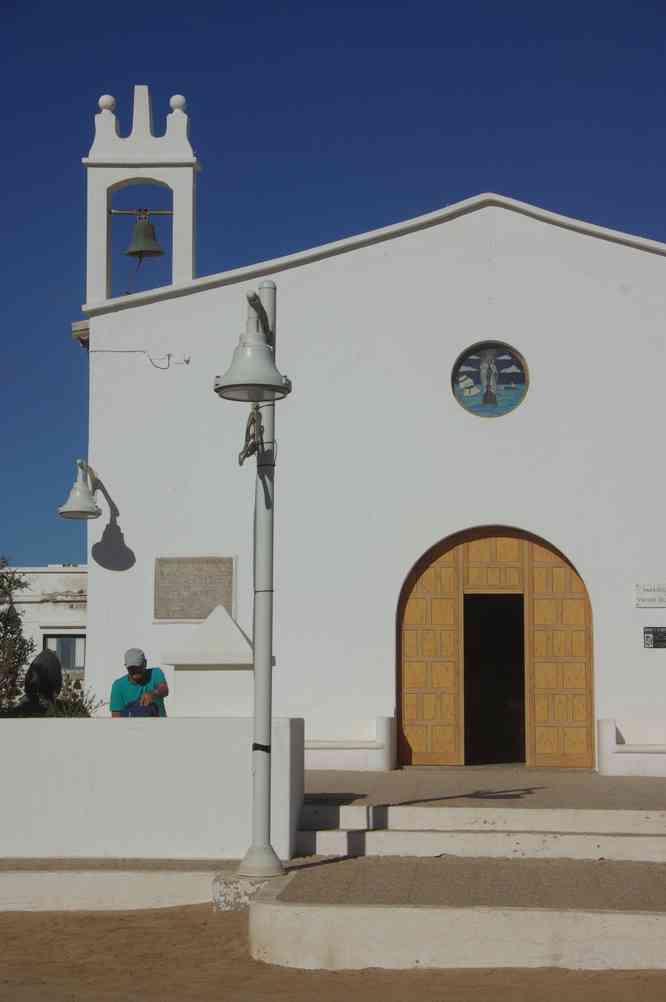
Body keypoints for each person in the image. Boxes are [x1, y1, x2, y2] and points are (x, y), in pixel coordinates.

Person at [110, 648, 169, 718]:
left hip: (159, 724)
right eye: (131, 668)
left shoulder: (155, 673)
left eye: (138, 667)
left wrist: (153, 694)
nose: (135, 670)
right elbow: (115, 717)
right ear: (126, 666)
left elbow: (164, 689)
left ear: (145, 663)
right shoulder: (118, 686)